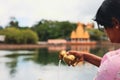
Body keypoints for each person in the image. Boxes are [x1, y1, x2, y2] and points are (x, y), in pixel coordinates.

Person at [65, 0, 120, 80]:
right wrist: (85, 57)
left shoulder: (112, 63)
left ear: (115, 23)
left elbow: (111, 67)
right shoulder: (113, 62)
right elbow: (113, 68)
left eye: (104, 26)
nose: (104, 31)